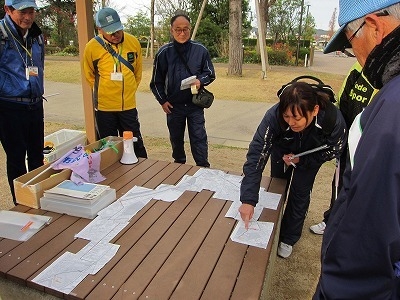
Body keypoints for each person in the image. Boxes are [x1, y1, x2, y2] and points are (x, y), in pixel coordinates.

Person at [314, 0, 400, 298]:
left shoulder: (393, 106)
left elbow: (367, 232)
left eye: (351, 43)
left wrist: (332, 290)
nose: (357, 58)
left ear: (374, 27)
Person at [238, 79, 347, 258]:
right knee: (277, 187)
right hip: (283, 148)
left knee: (300, 193)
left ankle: (288, 237)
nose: (291, 122)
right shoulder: (274, 116)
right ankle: (273, 225)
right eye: (287, 117)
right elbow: (256, 155)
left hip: (312, 153)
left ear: (315, 110)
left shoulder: (332, 120)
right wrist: (248, 199)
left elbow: (336, 149)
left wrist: (302, 159)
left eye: (297, 118)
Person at [309, 61, 378, 235]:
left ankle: (354, 227)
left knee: (366, 187)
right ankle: (331, 220)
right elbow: (343, 96)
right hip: (348, 140)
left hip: (371, 143)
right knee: (340, 184)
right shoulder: (357, 66)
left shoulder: (386, 70)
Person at [150, 12, 216, 168]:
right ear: (172, 30)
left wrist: (201, 81)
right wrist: (163, 101)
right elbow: (155, 82)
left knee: (199, 138)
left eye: (185, 29)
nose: (182, 33)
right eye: (178, 29)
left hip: (195, 104)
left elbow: (210, 73)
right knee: (176, 138)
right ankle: (178, 165)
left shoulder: (200, 50)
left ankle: (203, 167)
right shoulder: (163, 53)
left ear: (190, 29)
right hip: (174, 106)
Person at [83, 7, 147, 158]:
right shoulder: (91, 47)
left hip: (128, 106)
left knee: (135, 143)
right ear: (100, 30)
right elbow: (89, 75)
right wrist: (106, 92)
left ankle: (141, 173)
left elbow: (137, 73)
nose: (115, 35)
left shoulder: (133, 42)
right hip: (105, 109)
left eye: (117, 30)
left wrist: (127, 92)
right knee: (108, 148)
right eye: (110, 32)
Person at [0, 0, 44, 205]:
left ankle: (38, 199)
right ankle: (22, 205)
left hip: (35, 104)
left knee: (37, 156)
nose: (27, 17)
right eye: (22, 12)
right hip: (9, 107)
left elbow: (38, 65)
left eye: (31, 11)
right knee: (17, 159)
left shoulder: (37, 36)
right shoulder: (2, 35)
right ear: (8, 10)